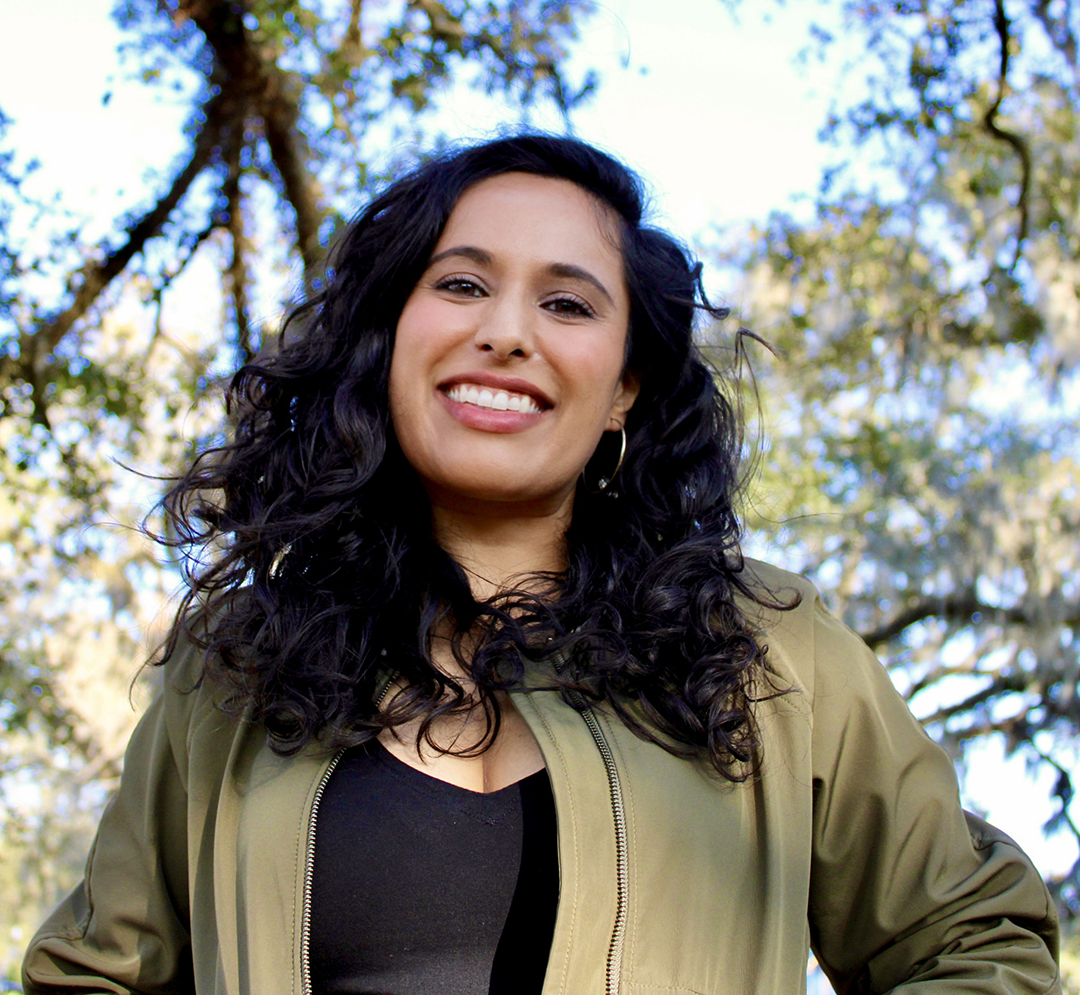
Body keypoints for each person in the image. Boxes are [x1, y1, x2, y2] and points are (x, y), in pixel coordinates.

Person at [23, 135, 1060, 995]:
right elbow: (95, 975)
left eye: (567, 304)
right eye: (462, 283)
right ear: (388, 344)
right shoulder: (234, 668)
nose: (506, 332)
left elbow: (978, 945)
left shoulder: (768, 651)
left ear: (624, 391)